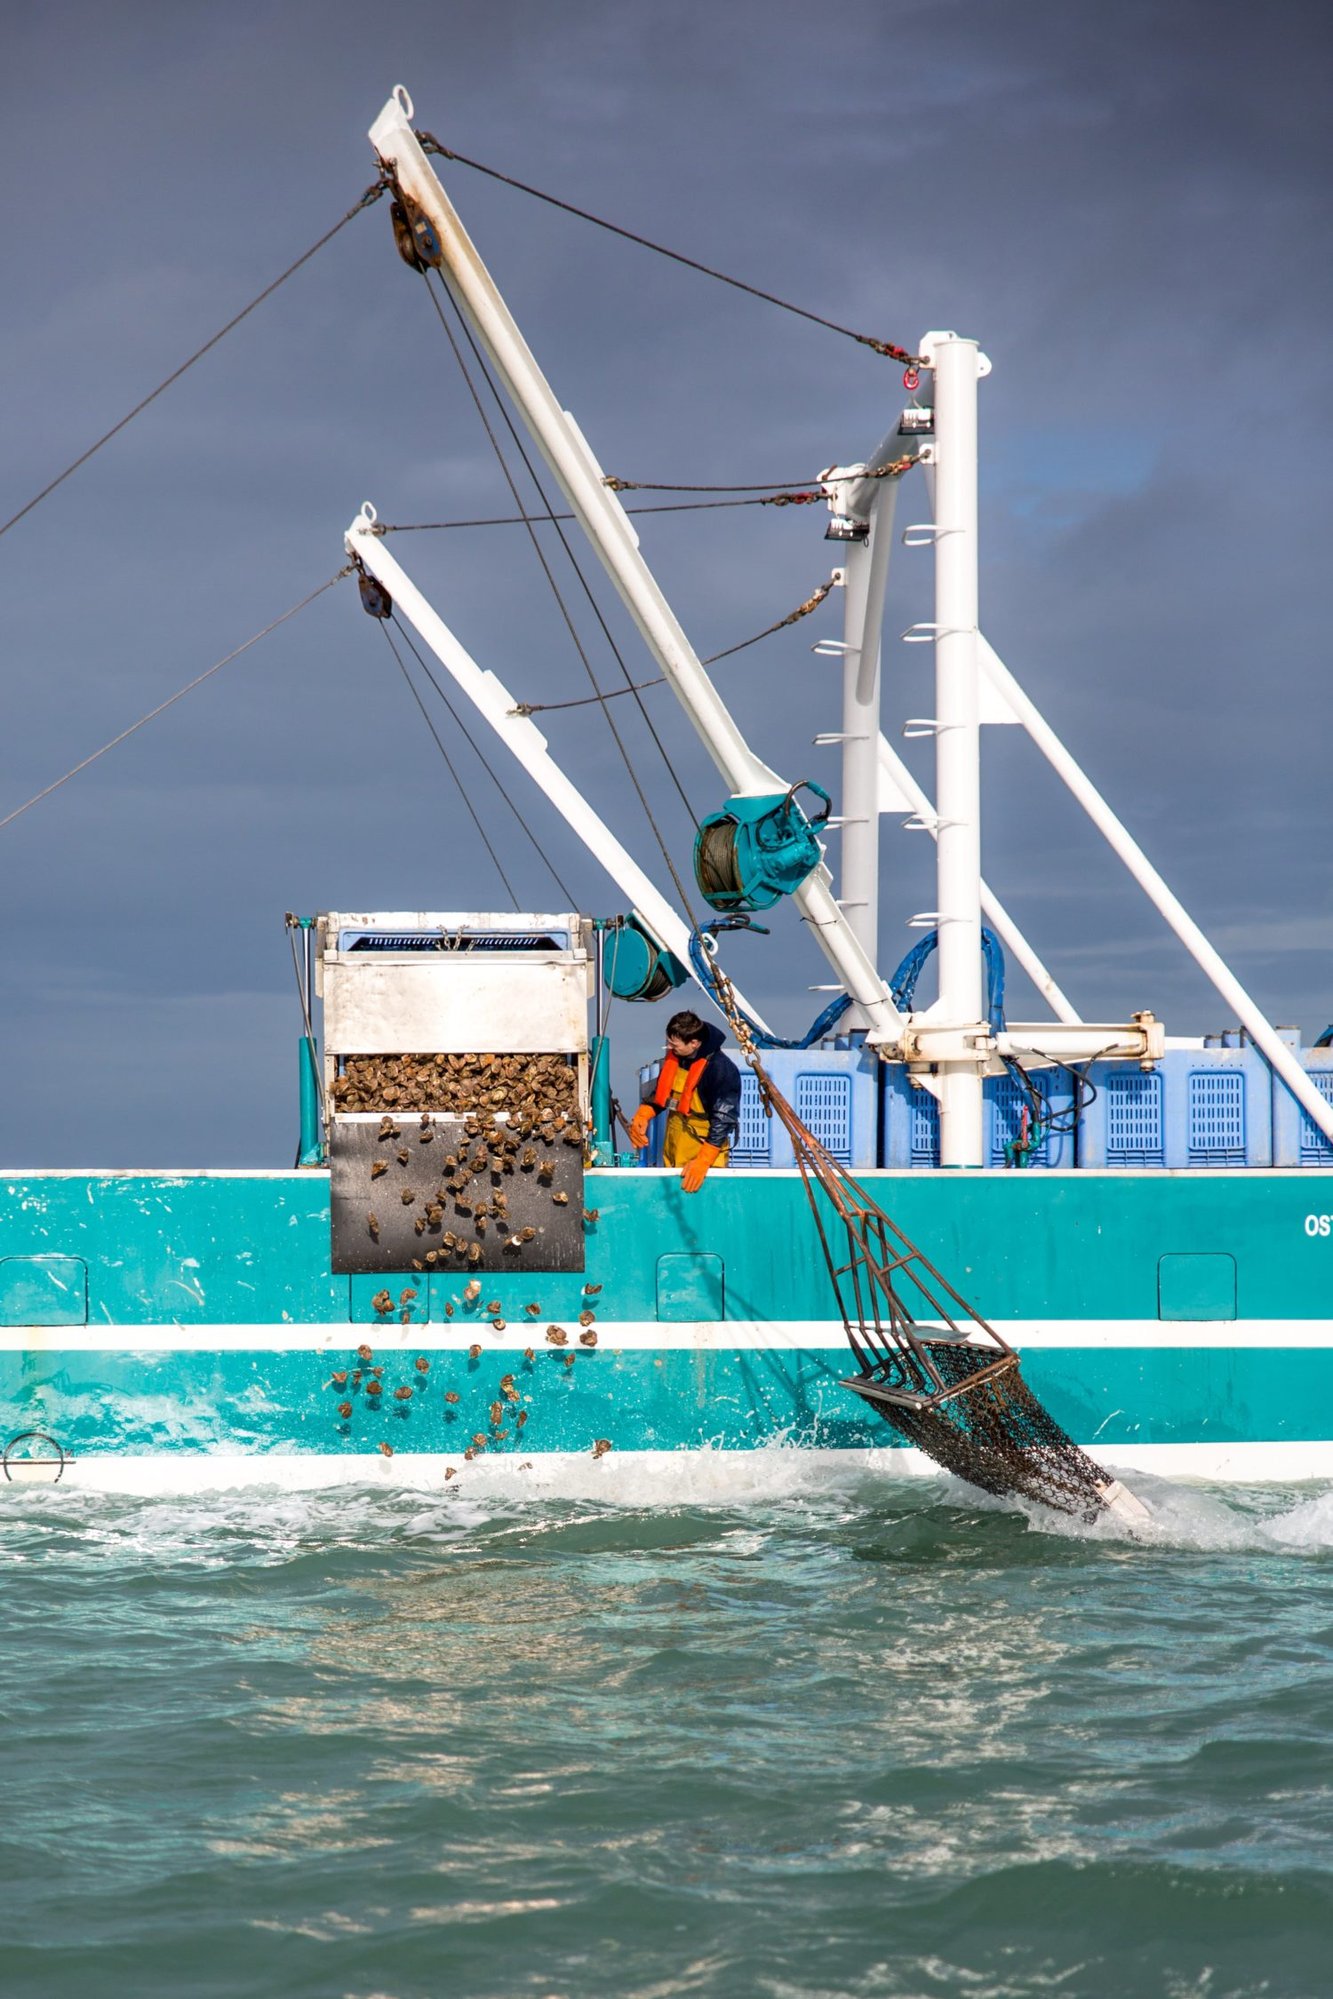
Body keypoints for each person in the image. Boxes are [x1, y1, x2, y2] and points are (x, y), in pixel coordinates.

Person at [628, 1009, 741, 1192]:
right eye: (669, 1042)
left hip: (702, 1148)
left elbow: (723, 1120)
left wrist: (703, 1161)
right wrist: (644, 1113)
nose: (670, 1048)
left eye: (675, 1045)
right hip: (674, 1141)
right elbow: (663, 1095)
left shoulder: (721, 1070)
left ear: (694, 1043)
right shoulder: (677, 1058)